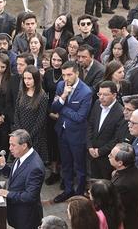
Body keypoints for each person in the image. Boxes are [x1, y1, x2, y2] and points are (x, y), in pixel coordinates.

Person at [52, 61, 92, 203]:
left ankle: (79, 193)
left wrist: (62, 108)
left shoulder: (86, 92)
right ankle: (68, 190)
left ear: (77, 73)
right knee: (66, 164)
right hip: (62, 132)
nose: (66, 78)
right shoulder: (61, 85)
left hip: (77, 135)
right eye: (63, 75)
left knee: (79, 166)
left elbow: (80, 117)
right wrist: (63, 97)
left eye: (69, 75)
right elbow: (54, 107)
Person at [0, 129, 45, 229]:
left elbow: (30, 196)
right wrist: (3, 167)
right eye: (9, 144)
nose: (10, 148)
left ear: (24, 146)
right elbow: (16, 176)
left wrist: (8, 194)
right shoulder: (22, 155)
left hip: (27, 219)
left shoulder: (35, 167)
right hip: (17, 214)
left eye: (13, 145)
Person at [13, 65, 48, 163]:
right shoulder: (21, 93)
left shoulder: (42, 96)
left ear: (36, 79)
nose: (26, 81)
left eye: (29, 78)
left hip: (35, 136)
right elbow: (16, 113)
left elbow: (40, 120)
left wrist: (28, 136)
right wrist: (20, 132)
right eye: (24, 78)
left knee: (32, 163)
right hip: (20, 133)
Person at [43, 47, 67, 185]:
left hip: (64, 113)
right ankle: (54, 171)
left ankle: (64, 172)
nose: (56, 63)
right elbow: (44, 96)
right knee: (52, 143)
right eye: (54, 59)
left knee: (62, 144)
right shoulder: (48, 74)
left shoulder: (67, 74)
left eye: (59, 60)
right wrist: (49, 112)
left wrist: (59, 113)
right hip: (50, 112)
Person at [109, 143, 138, 229]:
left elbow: (113, 207)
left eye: (111, 155)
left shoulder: (122, 185)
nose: (108, 156)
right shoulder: (135, 168)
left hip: (125, 222)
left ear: (120, 163)